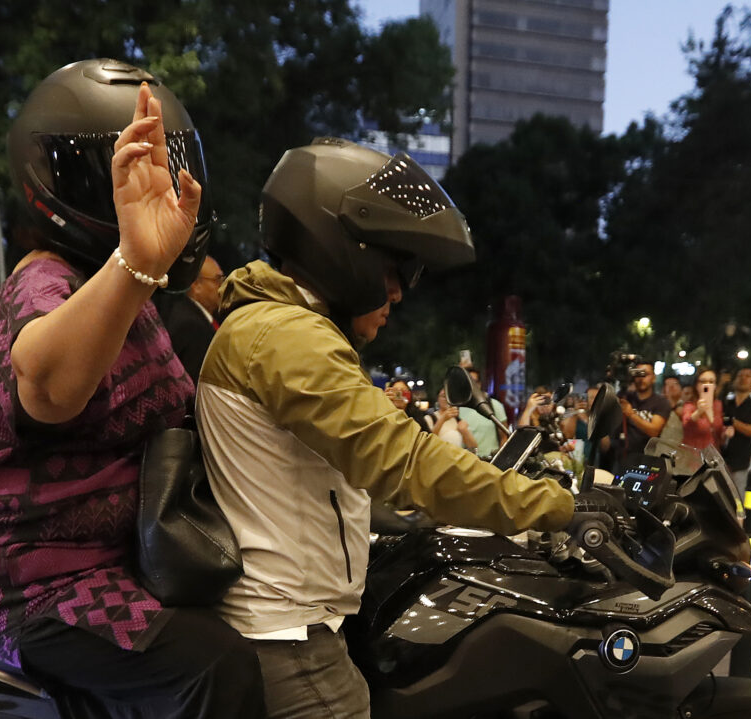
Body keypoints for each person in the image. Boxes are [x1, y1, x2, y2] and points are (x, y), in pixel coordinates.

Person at [0, 60, 265, 718]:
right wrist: (136, 261)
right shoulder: (48, 279)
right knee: (219, 667)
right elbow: (47, 384)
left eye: (165, 162)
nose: (156, 181)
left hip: (99, 559)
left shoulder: (131, 300)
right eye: (130, 166)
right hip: (19, 579)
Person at [196, 138, 574, 718]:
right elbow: (405, 462)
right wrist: (559, 507)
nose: (398, 289)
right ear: (340, 248)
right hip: (289, 640)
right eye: (395, 266)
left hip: (292, 626)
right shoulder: (287, 337)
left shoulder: (269, 327)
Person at [155, 254, 224, 384]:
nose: (222, 286)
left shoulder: (188, 315)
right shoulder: (192, 326)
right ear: (196, 285)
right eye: (217, 280)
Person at [615, 360, 671, 469]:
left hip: (648, 459)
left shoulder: (661, 402)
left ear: (653, 378)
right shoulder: (625, 397)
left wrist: (631, 414)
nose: (641, 378)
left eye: (645, 374)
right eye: (638, 374)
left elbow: (654, 431)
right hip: (622, 458)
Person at [721, 367, 751, 494]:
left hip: (744, 461)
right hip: (722, 458)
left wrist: (733, 422)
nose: (743, 378)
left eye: (747, 376)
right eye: (740, 375)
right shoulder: (725, 404)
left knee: (738, 499)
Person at [458, 366, 507, 458]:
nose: (470, 385)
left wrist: (500, 458)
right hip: (466, 461)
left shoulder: (494, 405)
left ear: (479, 384)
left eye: (474, 382)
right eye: (467, 382)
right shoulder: (457, 408)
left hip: (490, 460)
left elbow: (504, 435)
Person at [681, 368, 725, 450]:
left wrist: (726, 432)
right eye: (703, 381)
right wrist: (698, 412)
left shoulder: (718, 405)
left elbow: (719, 431)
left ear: (715, 385)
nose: (707, 385)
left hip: (713, 454)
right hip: (693, 455)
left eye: (711, 382)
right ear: (696, 385)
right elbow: (686, 425)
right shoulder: (690, 406)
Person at [659, 375, 684, 444]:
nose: (671, 386)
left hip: (682, 449)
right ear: (663, 389)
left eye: (675, 383)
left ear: (681, 388)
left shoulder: (687, 405)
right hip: (662, 448)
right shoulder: (659, 405)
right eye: (668, 384)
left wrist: (672, 402)